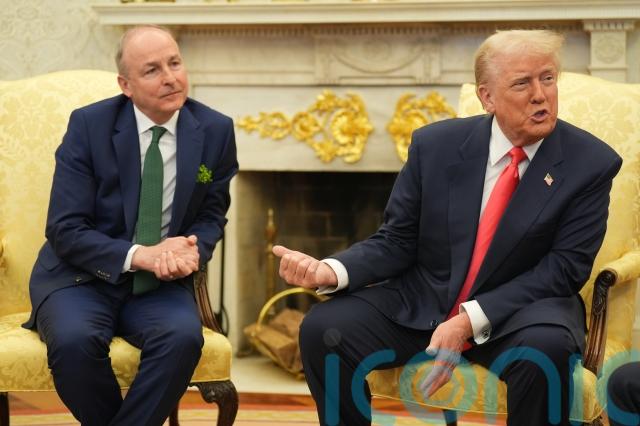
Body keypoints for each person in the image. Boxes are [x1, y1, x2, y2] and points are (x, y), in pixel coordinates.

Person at [274, 29, 622, 426]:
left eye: (548, 78)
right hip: (428, 298)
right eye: (522, 83)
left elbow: (563, 269)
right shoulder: (435, 146)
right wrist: (331, 270)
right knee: (322, 329)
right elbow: (397, 239)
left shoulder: (589, 163)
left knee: (545, 351)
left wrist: (469, 320)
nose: (541, 95)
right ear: (487, 97)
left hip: (521, 311)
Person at [22, 25, 238, 425]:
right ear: (126, 85)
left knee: (182, 338)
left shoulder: (215, 130)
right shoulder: (90, 126)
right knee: (74, 342)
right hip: (80, 277)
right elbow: (65, 227)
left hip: (161, 285)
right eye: (152, 70)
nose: (170, 77)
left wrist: (192, 249)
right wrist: (141, 256)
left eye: (175, 63)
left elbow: (212, 215)